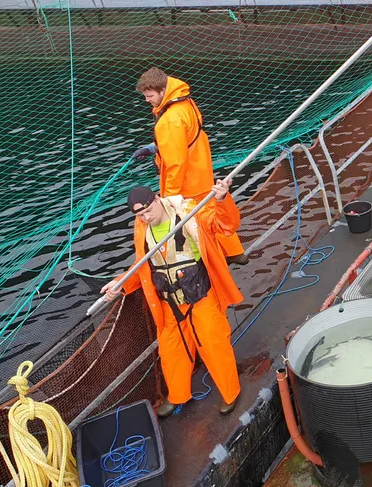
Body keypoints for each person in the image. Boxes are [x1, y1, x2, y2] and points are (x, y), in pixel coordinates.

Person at [102, 180, 243, 417]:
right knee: (171, 351)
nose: (146, 217)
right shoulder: (141, 229)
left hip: (200, 295)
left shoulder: (190, 212)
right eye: (140, 214)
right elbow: (143, 266)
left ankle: (231, 392)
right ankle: (178, 395)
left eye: (148, 210)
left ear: (157, 199)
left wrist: (222, 200)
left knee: (212, 342)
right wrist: (121, 284)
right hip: (169, 301)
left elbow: (226, 225)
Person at [131, 67, 249, 265]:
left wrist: (170, 197)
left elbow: (176, 163)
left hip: (188, 183)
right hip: (201, 170)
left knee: (201, 221)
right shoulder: (186, 102)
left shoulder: (168, 120)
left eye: (149, 96)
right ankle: (235, 252)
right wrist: (156, 147)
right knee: (213, 211)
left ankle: (215, 260)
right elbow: (187, 136)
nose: (147, 100)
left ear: (162, 91)